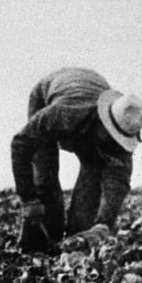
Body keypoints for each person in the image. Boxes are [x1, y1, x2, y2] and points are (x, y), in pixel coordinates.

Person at [12, 68, 141, 252]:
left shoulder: (124, 130)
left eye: (118, 141)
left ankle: (69, 244)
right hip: (48, 96)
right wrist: (28, 198)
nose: (114, 145)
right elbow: (20, 143)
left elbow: (118, 182)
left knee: (84, 222)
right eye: (111, 138)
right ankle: (41, 243)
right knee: (45, 178)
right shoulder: (64, 113)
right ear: (102, 121)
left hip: (88, 102)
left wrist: (103, 223)